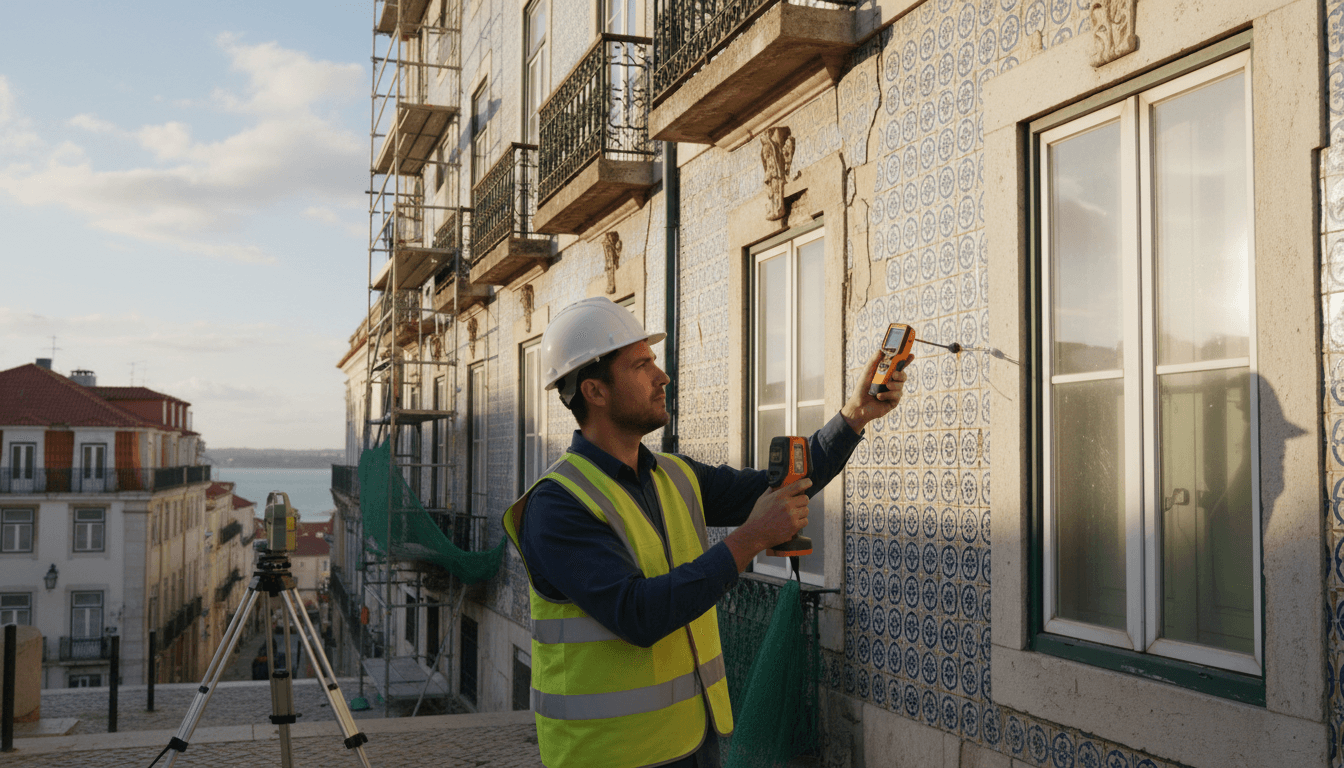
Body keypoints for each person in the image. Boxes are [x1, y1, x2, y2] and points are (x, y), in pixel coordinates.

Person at [502, 296, 906, 768]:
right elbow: (638, 614)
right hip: (605, 756)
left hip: (692, 743)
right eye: (641, 365)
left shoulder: (672, 475)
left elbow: (779, 486)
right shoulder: (557, 504)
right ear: (595, 391)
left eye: (654, 360)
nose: (662, 376)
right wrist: (752, 538)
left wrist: (855, 415)